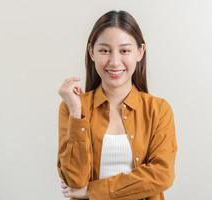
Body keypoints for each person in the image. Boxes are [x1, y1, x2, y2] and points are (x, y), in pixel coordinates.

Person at [57, 10, 178, 200]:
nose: (114, 62)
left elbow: (162, 175)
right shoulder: (73, 108)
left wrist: (92, 191)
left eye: (124, 50)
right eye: (104, 50)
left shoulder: (159, 110)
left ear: (140, 52)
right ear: (91, 52)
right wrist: (76, 113)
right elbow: (75, 181)